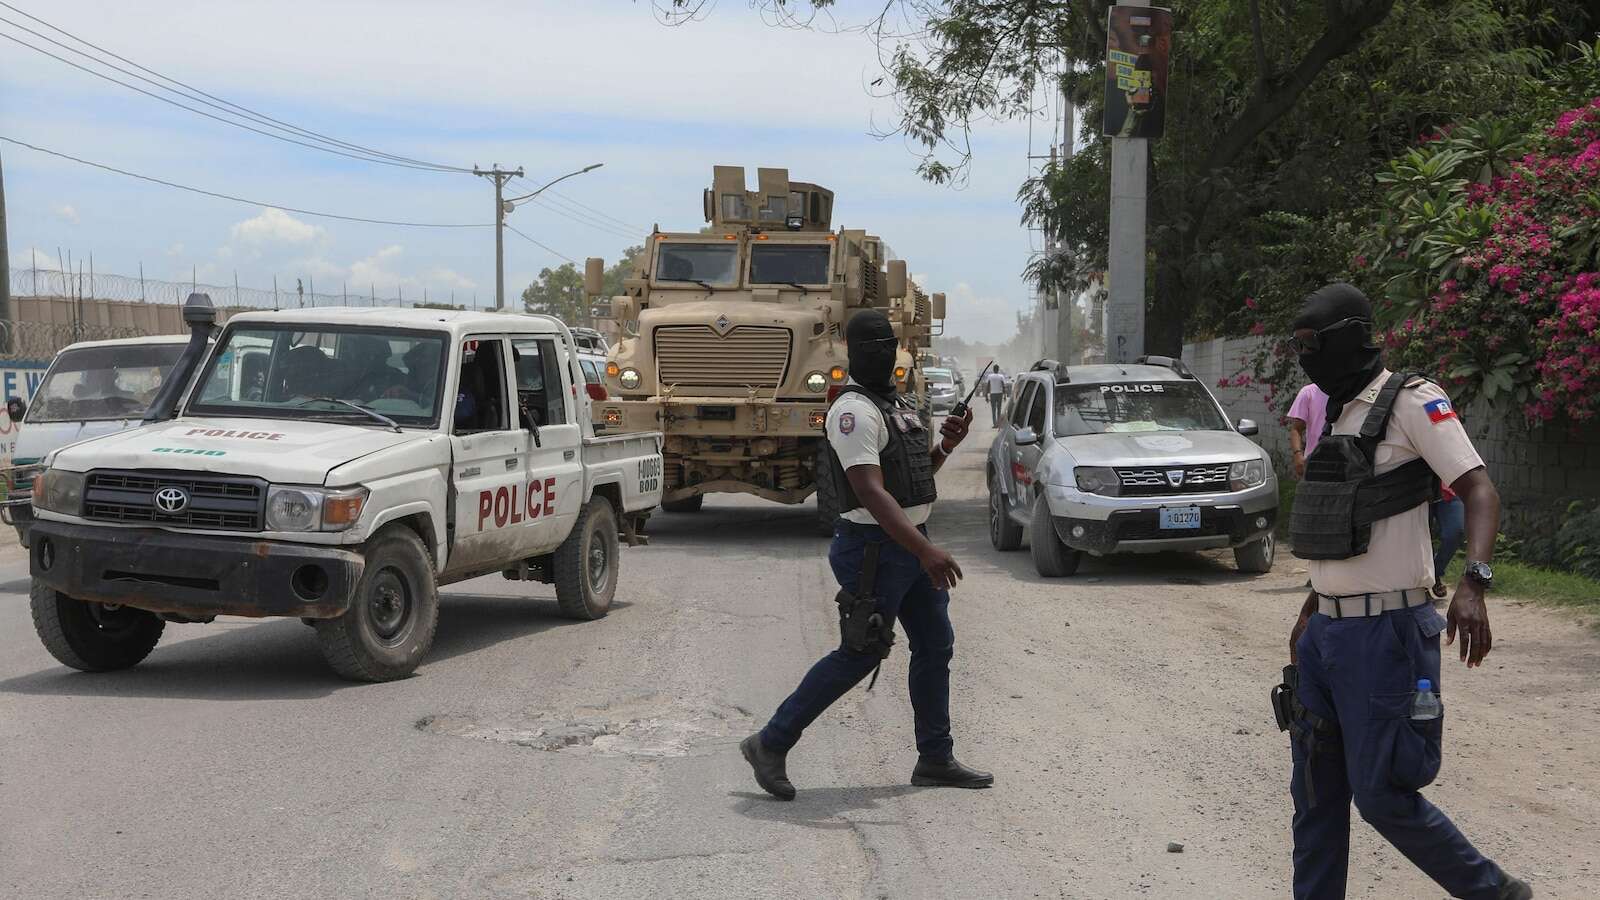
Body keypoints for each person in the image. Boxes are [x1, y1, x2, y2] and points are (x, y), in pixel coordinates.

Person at [1284, 283, 1530, 900]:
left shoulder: (1414, 401)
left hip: (1387, 634)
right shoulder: (1336, 409)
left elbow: (1479, 491)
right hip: (1327, 634)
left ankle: (1495, 892)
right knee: (1315, 797)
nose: (1306, 358)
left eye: (1314, 345)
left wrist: (1474, 583)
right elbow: (1340, 526)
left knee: (1383, 797)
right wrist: (1312, 610)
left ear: (1348, 339)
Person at [740, 310, 991, 801]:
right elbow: (871, 493)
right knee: (859, 654)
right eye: (870, 346)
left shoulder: (896, 406)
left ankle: (935, 758)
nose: (881, 353)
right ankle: (769, 743)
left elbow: (913, 479)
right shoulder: (852, 411)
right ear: (853, 354)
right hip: (875, 550)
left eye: (887, 344)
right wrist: (926, 551)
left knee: (935, 645)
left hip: (909, 543)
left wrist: (945, 446)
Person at [1286, 382, 1330, 480]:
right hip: (1314, 462)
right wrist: (1298, 455)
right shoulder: (1308, 392)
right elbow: (1296, 429)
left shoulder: (1350, 391)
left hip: (1344, 462)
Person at [1431, 486, 1466, 599]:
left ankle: (1435, 572)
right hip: (1418, 491)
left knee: (1454, 532)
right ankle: (1422, 585)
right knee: (1422, 537)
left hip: (1449, 489)